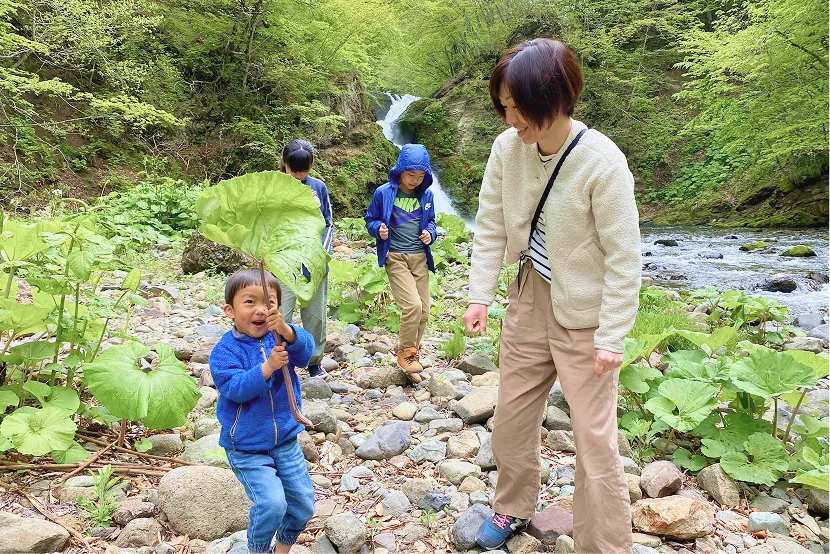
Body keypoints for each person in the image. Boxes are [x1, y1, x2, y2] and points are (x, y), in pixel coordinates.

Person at [463, 39, 641, 553]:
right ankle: (513, 505)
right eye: (503, 106)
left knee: (595, 439)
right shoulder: (506, 150)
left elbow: (625, 257)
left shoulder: (602, 162)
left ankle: (603, 545)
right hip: (527, 297)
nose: (510, 119)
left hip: (586, 314)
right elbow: (491, 224)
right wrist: (480, 295)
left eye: (519, 107)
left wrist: (612, 334)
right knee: (511, 419)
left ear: (555, 98)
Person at [209, 268, 316, 554]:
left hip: (285, 441)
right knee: (271, 503)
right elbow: (235, 388)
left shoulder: (279, 337)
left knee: (303, 504)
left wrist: (287, 331)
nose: (260, 310)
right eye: (249, 302)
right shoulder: (225, 351)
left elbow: (306, 354)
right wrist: (268, 367)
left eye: (269, 303)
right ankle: (258, 549)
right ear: (229, 310)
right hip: (246, 446)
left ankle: (282, 548)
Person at [365, 144, 437, 375]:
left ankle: (412, 354)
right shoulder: (384, 193)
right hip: (395, 256)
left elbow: (432, 222)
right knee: (412, 306)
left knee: (424, 310)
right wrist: (378, 230)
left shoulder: (427, 195)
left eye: (421, 176)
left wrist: (431, 233)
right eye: (410, 174)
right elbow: (370, 220)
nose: (415, 180)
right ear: (400, 172)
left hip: (420, 257)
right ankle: (406, 352)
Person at [279, 139, 333, 378]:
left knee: (315, 315)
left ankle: (314, 362)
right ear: (284, 163)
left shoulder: (319, 187)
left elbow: (328, 224)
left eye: (305, 170)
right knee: (279, 313)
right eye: (294, 170)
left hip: (314, 261)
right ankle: (278, 361)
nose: (299, 175)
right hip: (283, 262)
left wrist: (320, 256)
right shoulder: (273, 186)